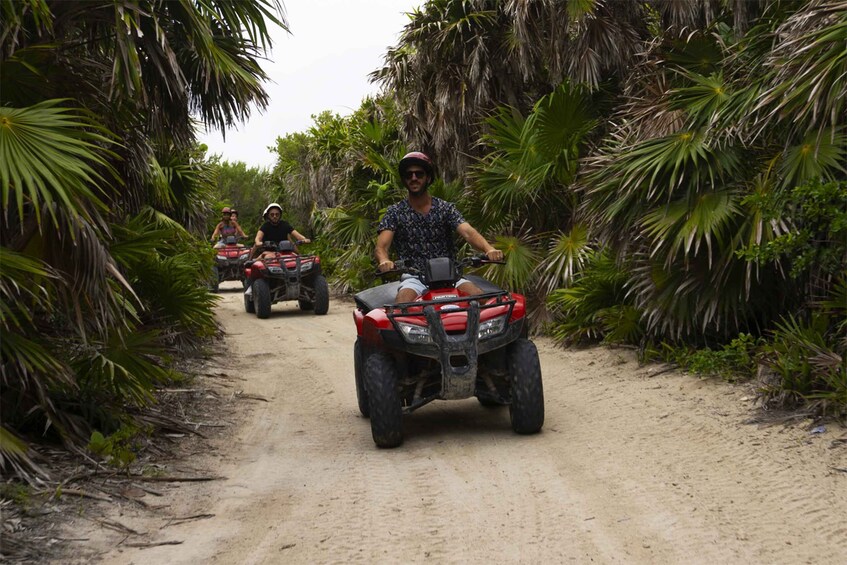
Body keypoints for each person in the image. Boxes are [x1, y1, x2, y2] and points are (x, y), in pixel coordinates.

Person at [375, 151, 504, 303]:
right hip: (415, 278)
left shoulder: (445, 208)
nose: (414, 178)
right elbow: (382, 246)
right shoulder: (395, 212)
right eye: (409, 175)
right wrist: (384, 261)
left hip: (450, 276)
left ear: (428, 178)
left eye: (419, 174)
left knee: (484, 301)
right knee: (401, 308)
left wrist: (489, 250)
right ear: (404, 180)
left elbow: (467, 232)